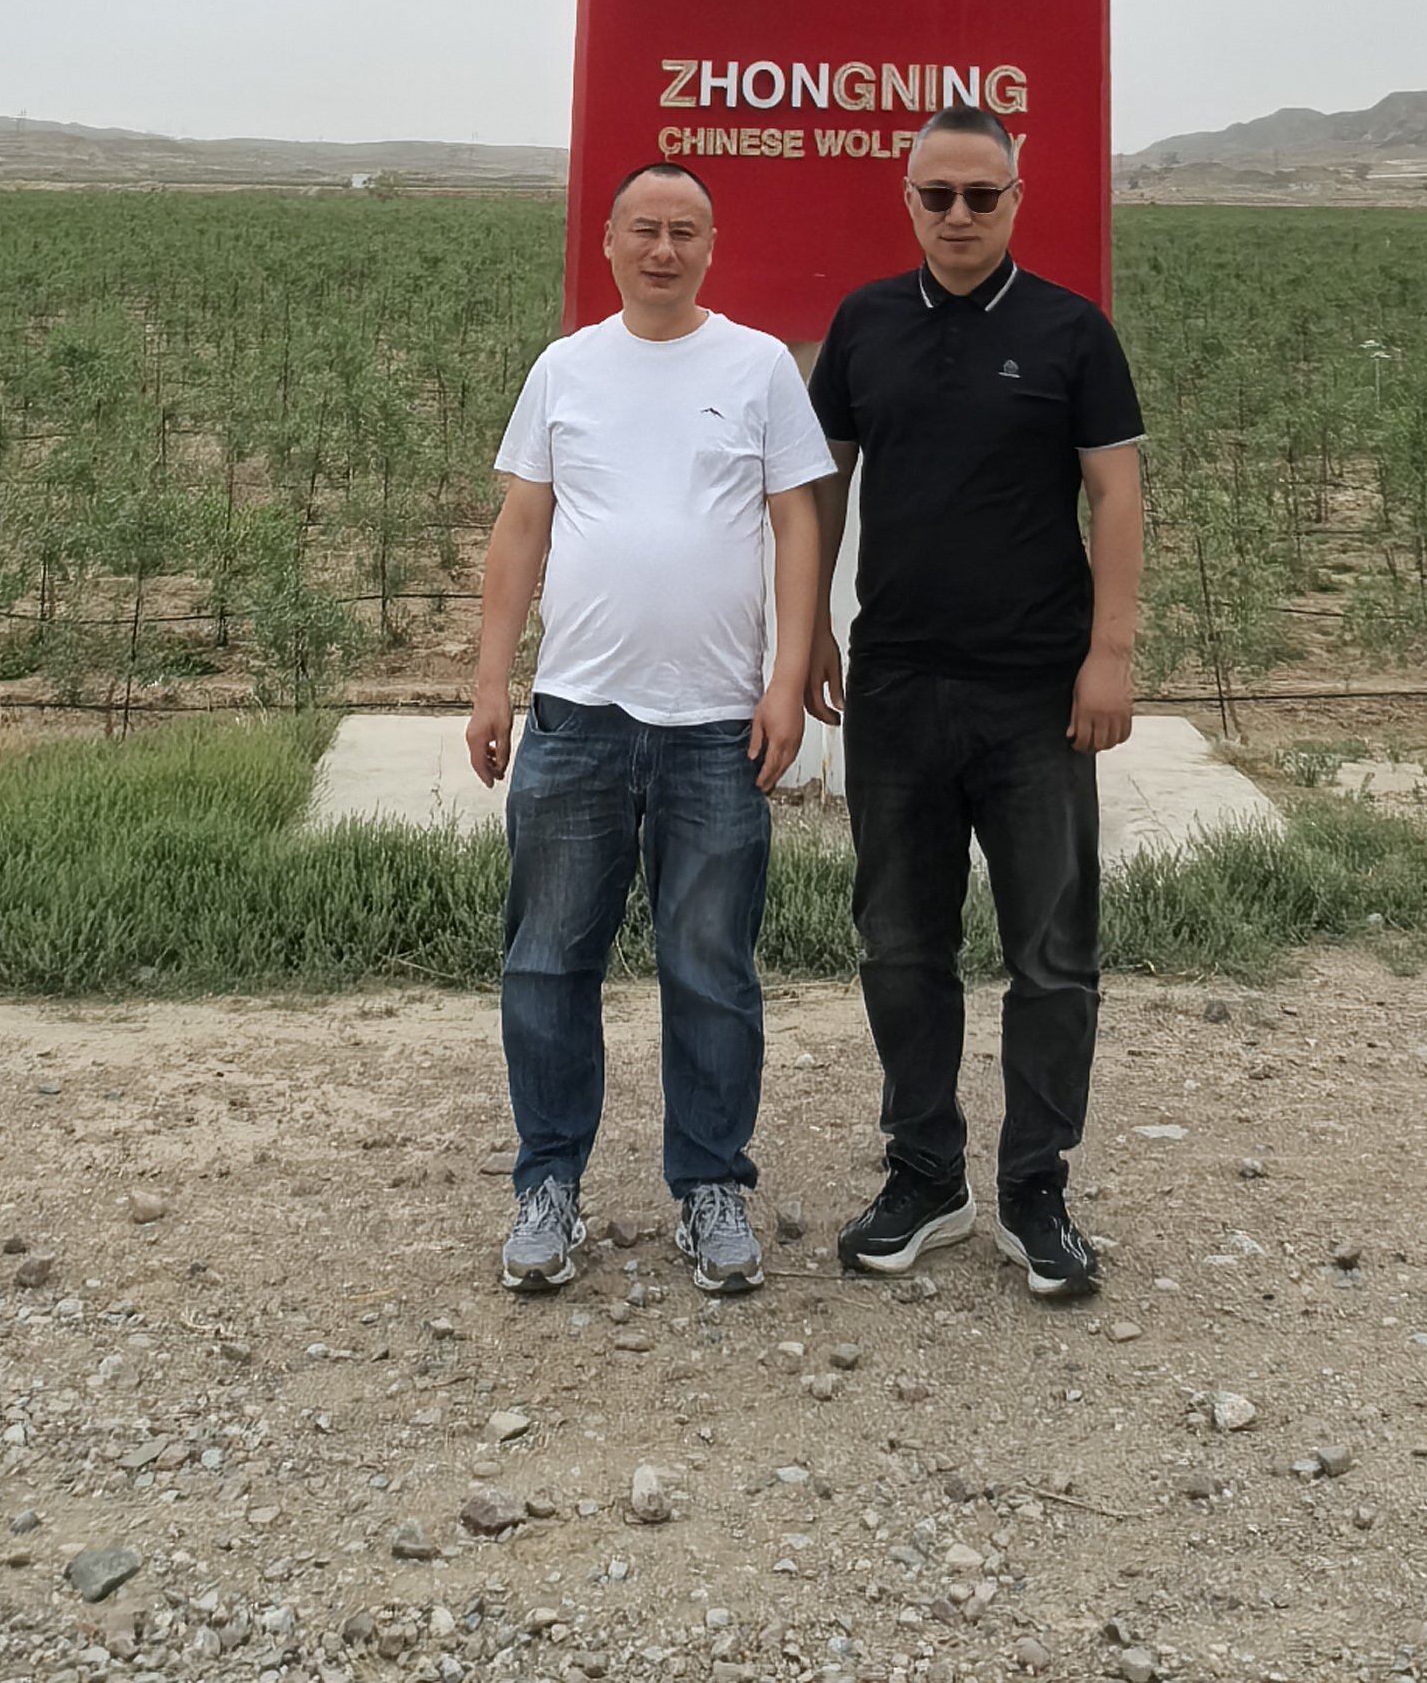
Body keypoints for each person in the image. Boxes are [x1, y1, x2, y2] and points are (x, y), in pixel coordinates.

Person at [469, 164, 834, 1298]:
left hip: (717, 725)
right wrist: (492, 681)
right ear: (610, 242)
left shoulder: (759, 366)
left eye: (684, 230)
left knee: (711, 968)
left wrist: (786, 678)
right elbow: (521, 527)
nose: (663, 248)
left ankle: (711, 1186)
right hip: (576, 715)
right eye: (644, 229)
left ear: (711, 245)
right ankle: (548, 1185)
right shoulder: (565, 367)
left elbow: (797, 524)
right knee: (546, 962)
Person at [806, 104, 1145, 1302]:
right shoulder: (864, 324)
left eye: (980, 194)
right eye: (937, 193)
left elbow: (1115, 494)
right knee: (901, 943)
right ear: (907, 198)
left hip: (1036, 695)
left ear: (1015, 198)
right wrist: (807, 631)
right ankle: (925, 1172)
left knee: (1050, 951)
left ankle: (1035, 1185)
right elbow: (824, 487)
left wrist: (1110, 654)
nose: (958, 213)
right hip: (897, 684)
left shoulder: (1071, 331)